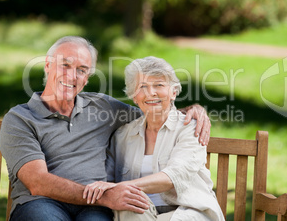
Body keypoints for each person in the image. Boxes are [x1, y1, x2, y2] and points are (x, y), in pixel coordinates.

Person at [0, 36, 211, 221]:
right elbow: (38, 182)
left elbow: (152, 109)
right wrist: (106, 195)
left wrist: (194, 109)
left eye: (81, 70)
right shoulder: (20, 119)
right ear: (48, 65)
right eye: (65, 65)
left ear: (87, 78)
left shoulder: (102, 107)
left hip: (95, 208)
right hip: (42, 202)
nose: (72, 76)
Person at [83, 56, 224, 221]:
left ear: (173, 92)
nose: (151, 93)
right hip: (142, 212)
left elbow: (174, 176)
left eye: (159, 85)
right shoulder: (123, 136)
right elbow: (107, 179)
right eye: (143, 87)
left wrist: (118, 187)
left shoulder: (190, 128)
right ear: (134, 97)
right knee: (127, 205)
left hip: (188, 211)